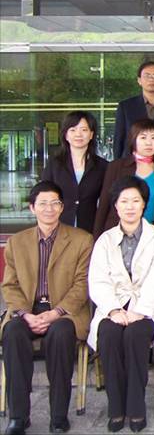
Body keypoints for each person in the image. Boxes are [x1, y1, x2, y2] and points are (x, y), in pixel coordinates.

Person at [1, 181, 93, 435]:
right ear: (32, 208)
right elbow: (9, 285)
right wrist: (25, 314)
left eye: (55, 203)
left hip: (65, 313)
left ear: (62, 207)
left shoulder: (81, 240)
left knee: (61, 334)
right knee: (12, 333)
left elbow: (82, 284)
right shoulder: (17, 242)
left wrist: (55, 313)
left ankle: (58, 416)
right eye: (42, 203)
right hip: (27, 311)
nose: (49, 209)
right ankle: (18, 417)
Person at [87, 176, 154, 433]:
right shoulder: (105, 240)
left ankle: (136, 406)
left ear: (144, 204)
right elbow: (98, 280)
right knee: (109, 333)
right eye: (124, 201)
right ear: (115, 205)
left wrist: (139, 311)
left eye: (135, 201)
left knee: (136, 334)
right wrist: (113, 310)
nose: (130, 206)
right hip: (113, 307)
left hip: (149, 307)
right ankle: (116, 406)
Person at [94, 119, 154, 238]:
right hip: (117, 234)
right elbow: (104, 204)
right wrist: (97, 238)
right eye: (143, 137)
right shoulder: (117, 166)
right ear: (133, 140)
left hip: (150, 236)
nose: (149, 143)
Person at [41, 111, 108, 234]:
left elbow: (107, 200)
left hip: (90, 229)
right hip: (58, 227)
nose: (78, 134)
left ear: (91, 134)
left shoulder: (102, 166)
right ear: (66, 135)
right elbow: (43, 194)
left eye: (84, 130)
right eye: (73, 130)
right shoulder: (54, 164)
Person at [113, 61, 154, 160]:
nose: (151, 79)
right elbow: (119, 139)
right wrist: (118, 164)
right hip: (131, 163)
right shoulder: (126, 106)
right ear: (139, 80)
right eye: (147, 75)